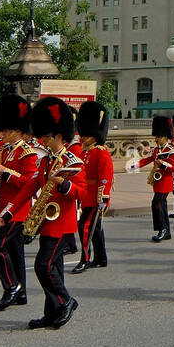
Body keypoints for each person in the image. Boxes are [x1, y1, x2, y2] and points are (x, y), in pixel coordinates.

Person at [25, 97, 83, 328]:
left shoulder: (72, 161)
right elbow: (31, 187)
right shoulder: (46, 162)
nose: (43, 140)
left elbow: (82, 192)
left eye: (47, 136)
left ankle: (66, 300)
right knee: (54, 267)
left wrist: (63, 185)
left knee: (43, 266)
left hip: (63, 224)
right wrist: (9, 213)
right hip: (47, 222)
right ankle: (51, 313)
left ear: (58, 135)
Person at [0, 94, 37, 311]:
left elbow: (28, 183)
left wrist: (6, 173)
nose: (3, 134)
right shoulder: (3, 150)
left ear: (17, 131)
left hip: (16, 211)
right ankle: (22, 293)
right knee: (16, 252)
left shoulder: (27, 153)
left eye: (7, 131)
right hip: (4, 208)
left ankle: (11, 287)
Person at [71, 101, 113, 274]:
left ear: (95, 134)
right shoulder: (84, 152)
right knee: (95, 228)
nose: (83, 137)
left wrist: (103, 196)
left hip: (96, 196)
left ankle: (85, 258)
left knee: (85, 227)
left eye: (87, 134)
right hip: (85, 194)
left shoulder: (101, 152)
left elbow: (106, 177)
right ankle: (101, 258)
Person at [137, 114, 174, 242]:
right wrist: (135, 164)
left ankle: (162, 230)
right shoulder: (157, 150)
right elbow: (149, 159)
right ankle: (166, 232)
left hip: (166, 182)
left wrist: (163, 164)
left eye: (158, 137)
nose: (156, 139)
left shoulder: (172, 151)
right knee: (162, 205)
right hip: (157, 181)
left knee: (156, 205)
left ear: (165, 137)